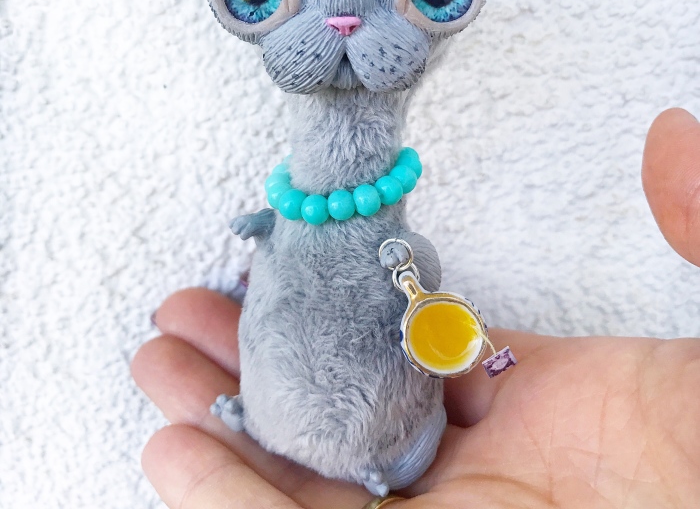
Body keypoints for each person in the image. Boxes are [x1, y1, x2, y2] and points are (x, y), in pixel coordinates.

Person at [132, 108, 700, 508]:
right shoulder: (300, 204)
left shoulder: (398, 244)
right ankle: (255, 416)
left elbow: (448, 304)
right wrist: (267, 227)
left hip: (388, 437)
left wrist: (419, 275)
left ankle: (374, 456)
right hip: (274, 401)